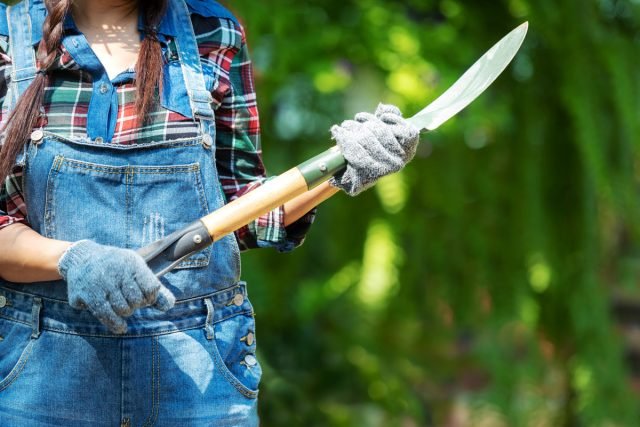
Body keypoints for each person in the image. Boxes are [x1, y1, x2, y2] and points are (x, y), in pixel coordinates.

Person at [0, 0, 419, 425]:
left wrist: (341, 169)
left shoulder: (212, 34)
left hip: (197, 368)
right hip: (41, 370)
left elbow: (243, 212)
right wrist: (74, 260)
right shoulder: (8, 41)